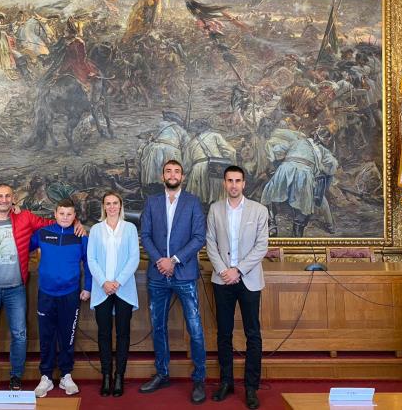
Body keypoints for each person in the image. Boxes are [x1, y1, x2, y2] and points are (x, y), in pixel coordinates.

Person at [0, 184, 84, 397]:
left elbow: (55, 224)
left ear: (13, 199)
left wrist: (76, 223)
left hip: (16, 288)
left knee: (19, 334)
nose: (3, 199)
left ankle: (16, 378)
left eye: (7, 196)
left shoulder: (25, 218)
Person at [139, 160, 207, 404]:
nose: (172, 174)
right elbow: (145, 235)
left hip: (184, 274)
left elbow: (199, 237)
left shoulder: (192, 202)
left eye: (177, 171)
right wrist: (161, 261)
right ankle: (162, 373)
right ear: (162, 176)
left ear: (183, 176)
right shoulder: (152, 202)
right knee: (158, 326)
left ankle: (199, 378)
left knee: (195, 328)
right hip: (158, 275)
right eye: (168, 171)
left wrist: (175, 260)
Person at [205, 165, 268, 409]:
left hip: (249, 280)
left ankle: (251, 387)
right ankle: (226, 382)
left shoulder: (259, 210)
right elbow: (210, 243)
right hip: (222, 280)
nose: (233, 185)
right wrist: (224, 270)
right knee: (224, 334)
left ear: (244, 184)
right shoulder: (215, 209)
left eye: (237, 181)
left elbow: (261, 246)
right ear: (224, 183)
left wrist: (238, 270)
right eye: (229, 180)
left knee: (253, 334)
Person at [30, 199, 92, 398]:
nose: (65, 217)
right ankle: (46, 377)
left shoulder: (80, 236)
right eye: (62, 213)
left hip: (70, 293)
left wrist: (88, 287)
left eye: (69, 214)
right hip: (46, 294)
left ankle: (66, 375)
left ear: (75, 216)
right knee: (46, 335)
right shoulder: (42, 233)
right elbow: (22, 247)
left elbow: (88, 263)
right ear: (55, 214)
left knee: (67, 336)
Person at [87, 191, 140, 397]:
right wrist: (104, 282)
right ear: (103, 206)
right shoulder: (96, 229)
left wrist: (117, 282)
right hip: (102, 290)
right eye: (108, 203)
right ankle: (106, 376)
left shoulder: (130, 228)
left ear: (120, 205)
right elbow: (91, 259)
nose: (111, 207)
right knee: (104, 334)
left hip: (123, 288)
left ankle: (119, 376)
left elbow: (134, 258)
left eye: (115, 203)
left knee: (123, 333)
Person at [260, 127, 338, 237]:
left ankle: (271, 223)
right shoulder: (323, 151)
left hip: (286, 169)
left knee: (269, 193)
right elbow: (333, 165)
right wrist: (323, 169)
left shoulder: (297, 141)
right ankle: (297, 233)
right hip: (304, 174)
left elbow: (278, 150)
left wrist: (282, 159)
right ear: (325, 140)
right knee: (304, 204)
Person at [183, 119, 237, 204]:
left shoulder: (191, 143)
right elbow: (231, 152)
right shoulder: (215, 135)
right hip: (216, 167)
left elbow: (186, 166)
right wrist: (232, 166)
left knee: (199, 201)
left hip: (197, 170)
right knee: (218, 200)